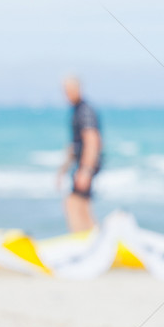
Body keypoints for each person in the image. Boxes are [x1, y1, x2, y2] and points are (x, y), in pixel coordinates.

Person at [57, 76, 103, 232]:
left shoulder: (85, 111)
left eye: (69, 90)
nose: (66, 95)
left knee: (74, 204)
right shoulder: (76, 110)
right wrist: (62, 170)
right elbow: (74, 145)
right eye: (65, 91)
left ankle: (86, 241)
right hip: (81, 164)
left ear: (78, 89)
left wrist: (86, 170)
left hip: (87, 164)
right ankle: (92, 239)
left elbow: (92, 141)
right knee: (80, 205)